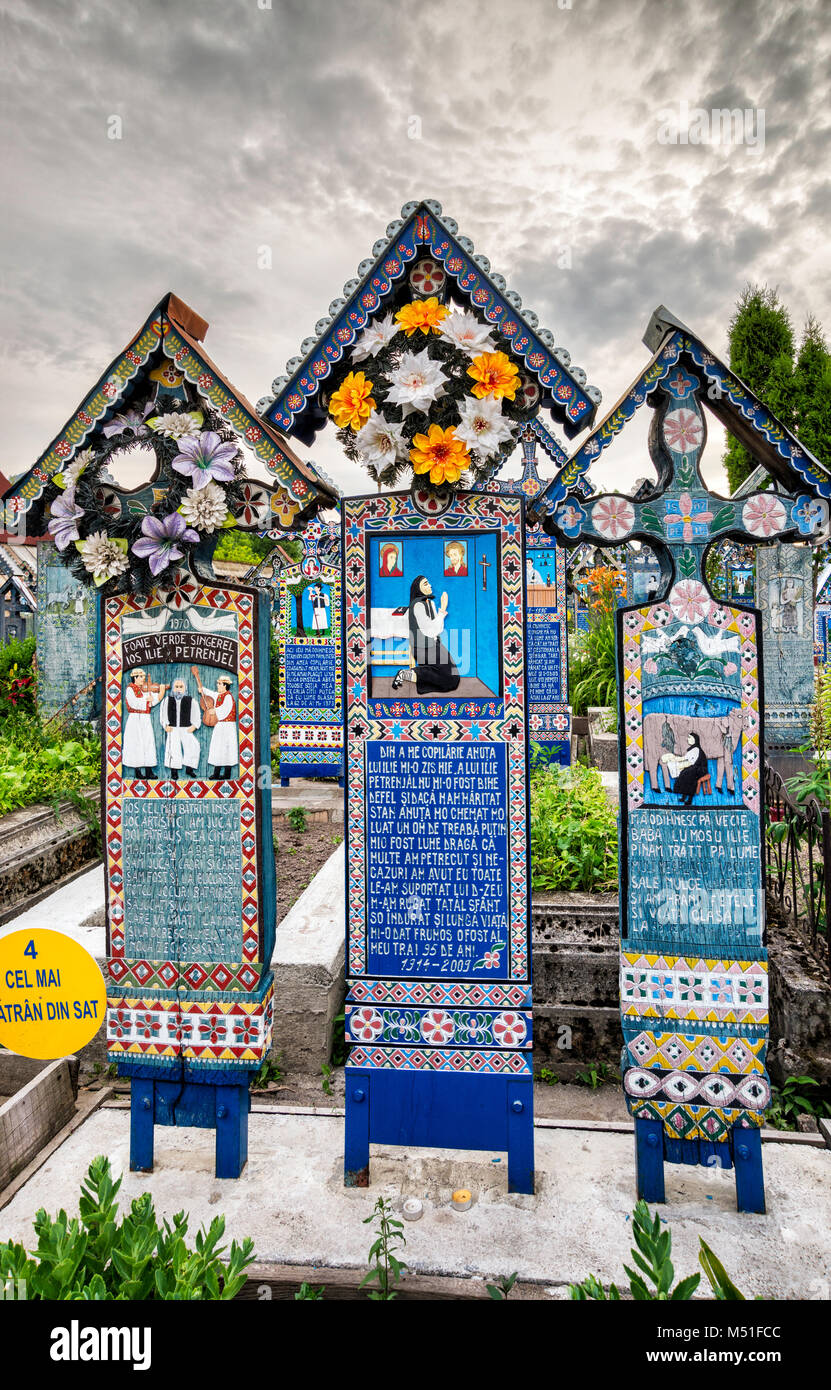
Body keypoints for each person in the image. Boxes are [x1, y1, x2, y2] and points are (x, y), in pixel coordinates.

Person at [391, 575, 460, 695]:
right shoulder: (418, 605)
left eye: (429, 583)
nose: (430, 585)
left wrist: (440, 613)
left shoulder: (430, 603)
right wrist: (443, 608)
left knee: (454, 678)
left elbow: (437, 630)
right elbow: (430, 630)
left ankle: (410, 674)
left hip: (433, 644)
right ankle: (406, 674)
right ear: (418, 589)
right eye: (425, 584)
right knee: (449, 679)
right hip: (422, 647)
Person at [193, 671, 238, 779]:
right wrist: (202, 690)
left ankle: (227, 774)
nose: (217, 685)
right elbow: (211, 693)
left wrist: (215, 711)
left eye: (219, 684)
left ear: (224, 685)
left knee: (227, 749)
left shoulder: (228, 697)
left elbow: (225, 709)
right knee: (218, 748)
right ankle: (216, 773)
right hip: (220, 726)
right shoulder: (219, 695)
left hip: (227, 726)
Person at [123, 668, 167, 778]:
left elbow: (151, 701)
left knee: (148, 743)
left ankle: (149, 771)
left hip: (144, 718)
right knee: (136, 744)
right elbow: (133, 703)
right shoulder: (130, 689)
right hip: (135, 718)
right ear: (135, 678)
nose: (143, 679)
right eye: (141, 677)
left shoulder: (142, 690)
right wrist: (147, 699)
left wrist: (160, 693)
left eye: (143, 677)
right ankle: (137, 771)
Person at [162, 677, 201, 779]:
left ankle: (189, 768)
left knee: (193, 746)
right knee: (173, 749)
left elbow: (196, 715)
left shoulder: (191, 700)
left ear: (185, 688)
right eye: (176, 686)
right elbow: (163, 714)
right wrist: (165, 725)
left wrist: (195, 725)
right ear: (173, 688)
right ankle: (174, 771)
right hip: (173, 728)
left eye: (181, 687)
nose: (178, 689)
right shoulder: (167, 700)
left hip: (186, 728)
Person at [661, 732, 708, 808]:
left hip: (700, 769)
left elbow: (691, 762)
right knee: (684, 773)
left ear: (694, 740)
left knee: (688, 775)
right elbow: (685, 758)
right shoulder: (692, 749)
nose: (688, 739)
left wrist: (679, 764)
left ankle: (689, 799)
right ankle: (684, 796)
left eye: (690, 738)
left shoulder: (696, 749)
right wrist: (674, 758)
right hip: (695, 767)